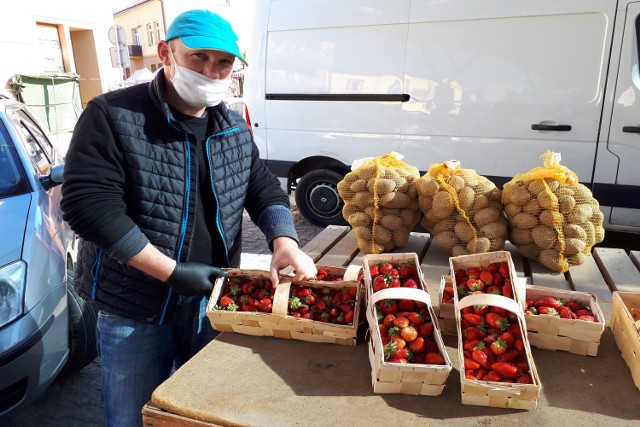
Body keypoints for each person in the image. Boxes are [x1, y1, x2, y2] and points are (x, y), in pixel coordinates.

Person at [60, 9, 317, 427]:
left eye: (224, 62)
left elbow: (263, 188)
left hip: (213, 299)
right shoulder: (113, 116)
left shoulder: (232, 126)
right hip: (134, 309)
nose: (212, 71)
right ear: (166, 53)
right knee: (132, 416)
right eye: (199, 57)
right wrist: (169, 271)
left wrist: (284, 240)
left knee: (202, 412)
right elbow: (89, 207)